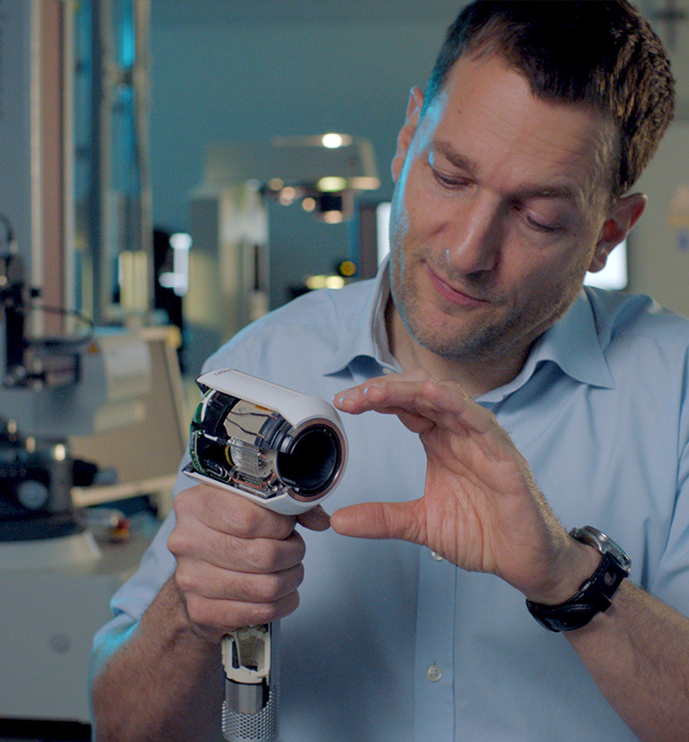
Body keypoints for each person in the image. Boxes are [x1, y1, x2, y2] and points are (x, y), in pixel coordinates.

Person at [89, 2, 689, 740]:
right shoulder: (265, 365)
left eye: (537, 217)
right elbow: (121, 727)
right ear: (408, 141)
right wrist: (190, 615)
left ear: (608, 234)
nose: (468, 251)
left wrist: (571, 579)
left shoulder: (675, 392)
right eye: (450, 176)